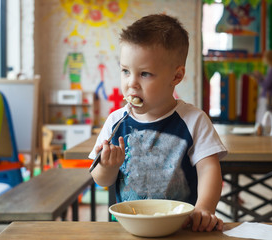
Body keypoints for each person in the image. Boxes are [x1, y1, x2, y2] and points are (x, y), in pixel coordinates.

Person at [89, 14, 227, 232]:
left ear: (176, 76)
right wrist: (108, 166)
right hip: (129, 228)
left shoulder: (193, 120)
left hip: (181, 228)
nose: (131, 83)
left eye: (144, 74)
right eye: (125, 71)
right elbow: (101, 179)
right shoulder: (116, 121)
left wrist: (204, 208)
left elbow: (209, 169)